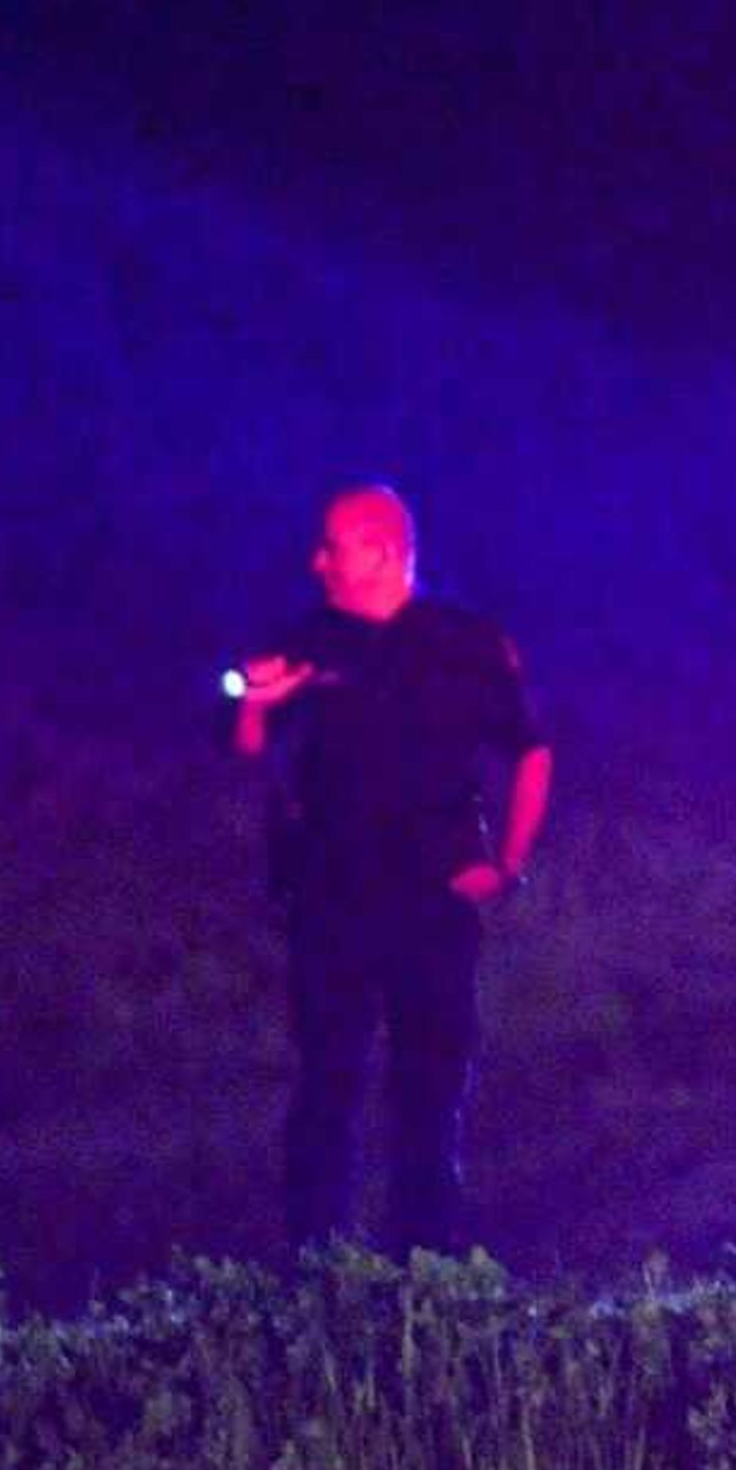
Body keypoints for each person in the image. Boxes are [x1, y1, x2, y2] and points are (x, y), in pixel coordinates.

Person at [232, 484, 551, 1254]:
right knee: (325, 1089)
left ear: (380, 551)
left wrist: (507, 862)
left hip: (432, 898)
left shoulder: (462, 644)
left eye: (332, 546)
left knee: (430, 1093)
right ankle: (316, 1273)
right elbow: (249, 746)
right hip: (330, 898)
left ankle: (426, 1271)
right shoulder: (309, 641)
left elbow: (530, 749)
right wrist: (256, 704)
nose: (317, 562)